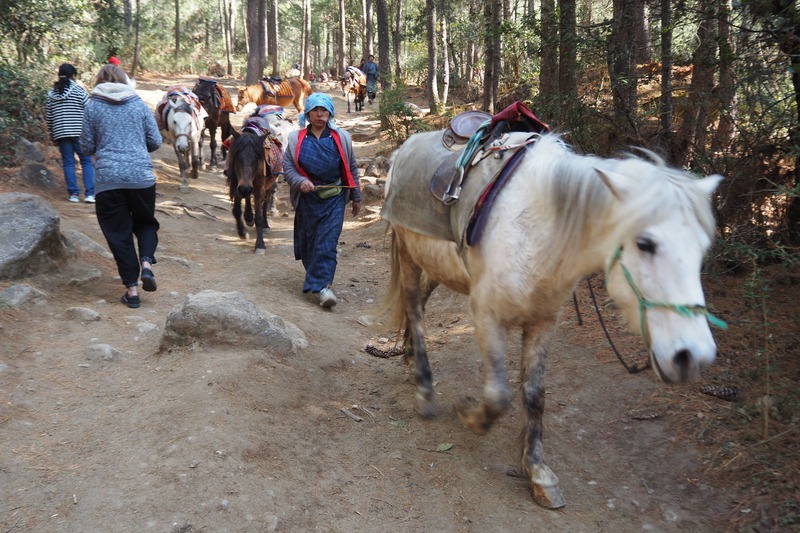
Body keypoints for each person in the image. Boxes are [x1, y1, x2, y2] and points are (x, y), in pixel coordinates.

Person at [80, 64, 163, 309]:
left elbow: (86, 146)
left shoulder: (92, 105)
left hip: (109, 179)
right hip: (141, 176)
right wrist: (135, 147)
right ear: (125, 80)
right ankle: (146, 263)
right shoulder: (137, 103)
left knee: (119, 234)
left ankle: (132, 290)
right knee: (146, 223)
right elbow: (155, 141)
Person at [283, 93, 362, 308]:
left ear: (330, 113)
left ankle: (325, 287)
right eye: (315, 110)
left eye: (324, 110)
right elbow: (288, 167)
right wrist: (300, 181)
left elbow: (351, 167)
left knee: (327, 243)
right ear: (307, 113)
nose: (320, 114)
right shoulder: (295, 139)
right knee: (310, 244)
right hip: (308, 200)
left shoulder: (341, 138)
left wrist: (356, 195)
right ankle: (316, 277)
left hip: (334, 198)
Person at [46, 64, 96, 203]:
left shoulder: (51, 94)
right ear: (73, 76)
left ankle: (73, 194)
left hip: (61, 133)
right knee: (86, 161)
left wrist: (52, 134)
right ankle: (90, 194)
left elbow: (49, 117)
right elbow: (89, 110)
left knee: (68, 163)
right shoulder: (78, 91)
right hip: (79, 131)